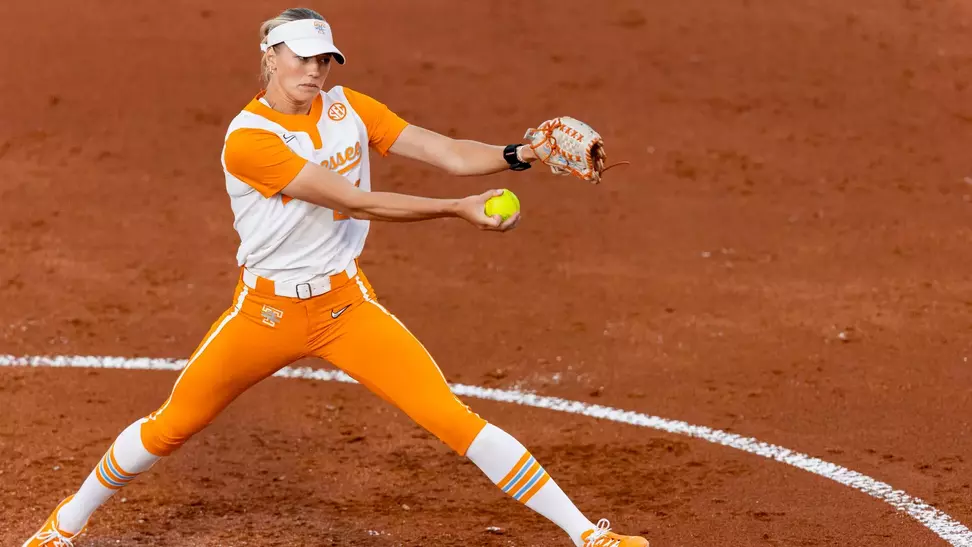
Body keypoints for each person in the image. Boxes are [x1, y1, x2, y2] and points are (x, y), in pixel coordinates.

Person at [23, 7, 645, 547]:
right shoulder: (250, 140)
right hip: (264, 315)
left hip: (345, 308)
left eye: (325, 59)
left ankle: (588, 533)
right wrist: (457, 211)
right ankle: (64, 525)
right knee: (172, 426)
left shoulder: (351, 108)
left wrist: (521, 154)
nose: (316, 70)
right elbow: (354, 202)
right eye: (303, 58)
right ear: (270, 57)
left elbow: (448, 152)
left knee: (452, 417)